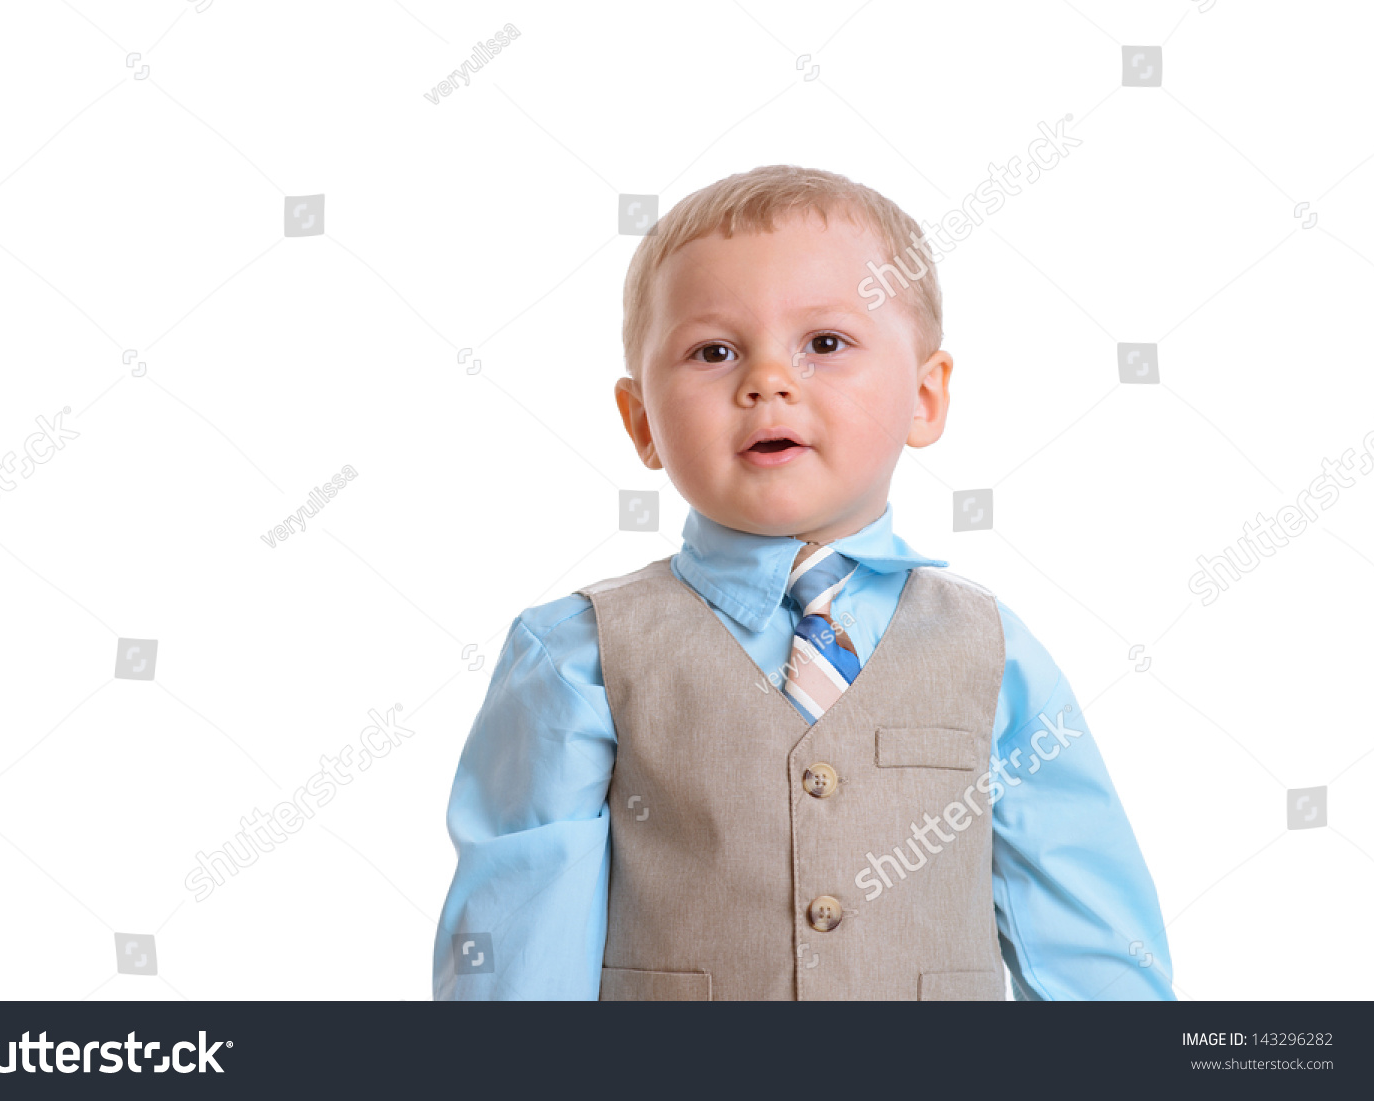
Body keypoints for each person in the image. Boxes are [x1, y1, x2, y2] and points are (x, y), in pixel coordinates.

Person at [433, 164, 1173, 1000]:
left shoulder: (992, 650)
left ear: (926, 397)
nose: (767, 381)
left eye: (824, 344)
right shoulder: (577, 655)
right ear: (642, 422)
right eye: (714, 351)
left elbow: (1086, 929)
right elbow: (519, 942)